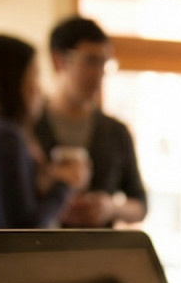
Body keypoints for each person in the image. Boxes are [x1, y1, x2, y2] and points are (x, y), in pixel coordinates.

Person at [0, 34, 82, 229]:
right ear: (13, 81)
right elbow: (22, 230)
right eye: (34, 76)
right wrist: (65, 184)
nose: (39, 89)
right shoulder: (5, 137)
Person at [34, 16, 147, 228]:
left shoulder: (116, 132)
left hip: (99, 256)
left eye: (104, 63)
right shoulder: (30, 127)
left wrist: (111, 207)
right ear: (59, 61)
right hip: (37, 255)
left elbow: (140, 204)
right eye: (91, 61)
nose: (99, 73)